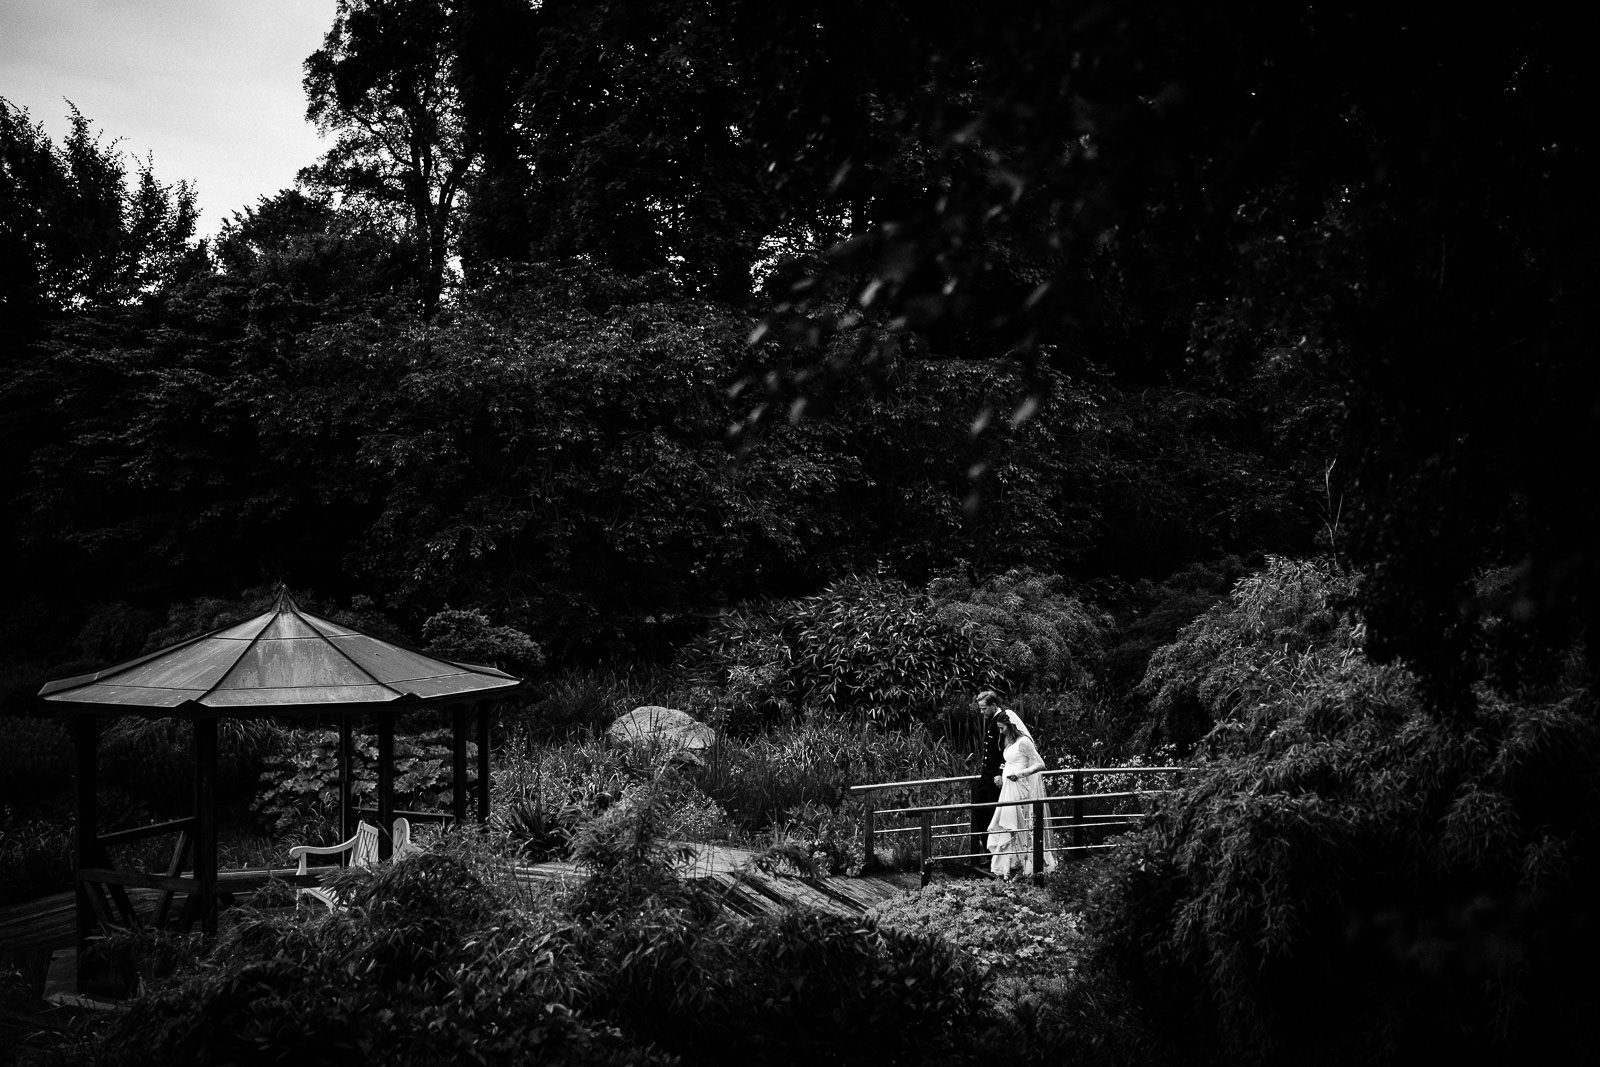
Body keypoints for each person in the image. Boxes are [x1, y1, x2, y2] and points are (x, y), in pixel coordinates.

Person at [984, 703, 1057, 878]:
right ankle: (1012, 865)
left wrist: (1020, 774)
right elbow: (1008, 761)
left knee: (1019, 824)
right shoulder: (1009, 741)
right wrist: (1000, 774)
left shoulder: (1024, 742)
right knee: (1008, 824)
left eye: (1002, 728)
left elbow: (1040, 764)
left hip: (1019, 787)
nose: (1000, 732)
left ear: (1010, 726)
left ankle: (1028, 864)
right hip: (1007, 787)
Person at [970, 691, 1006, 865]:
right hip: (986, 777)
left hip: (995, 780)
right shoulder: (992, 721)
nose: (982, 712)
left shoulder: (1003, 721)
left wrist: (1000, 771)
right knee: (980, 813)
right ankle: (990, 853)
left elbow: (1007, 751)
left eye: (984, 709)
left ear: (993, 705)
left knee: (992, 816)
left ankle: (994, 856)